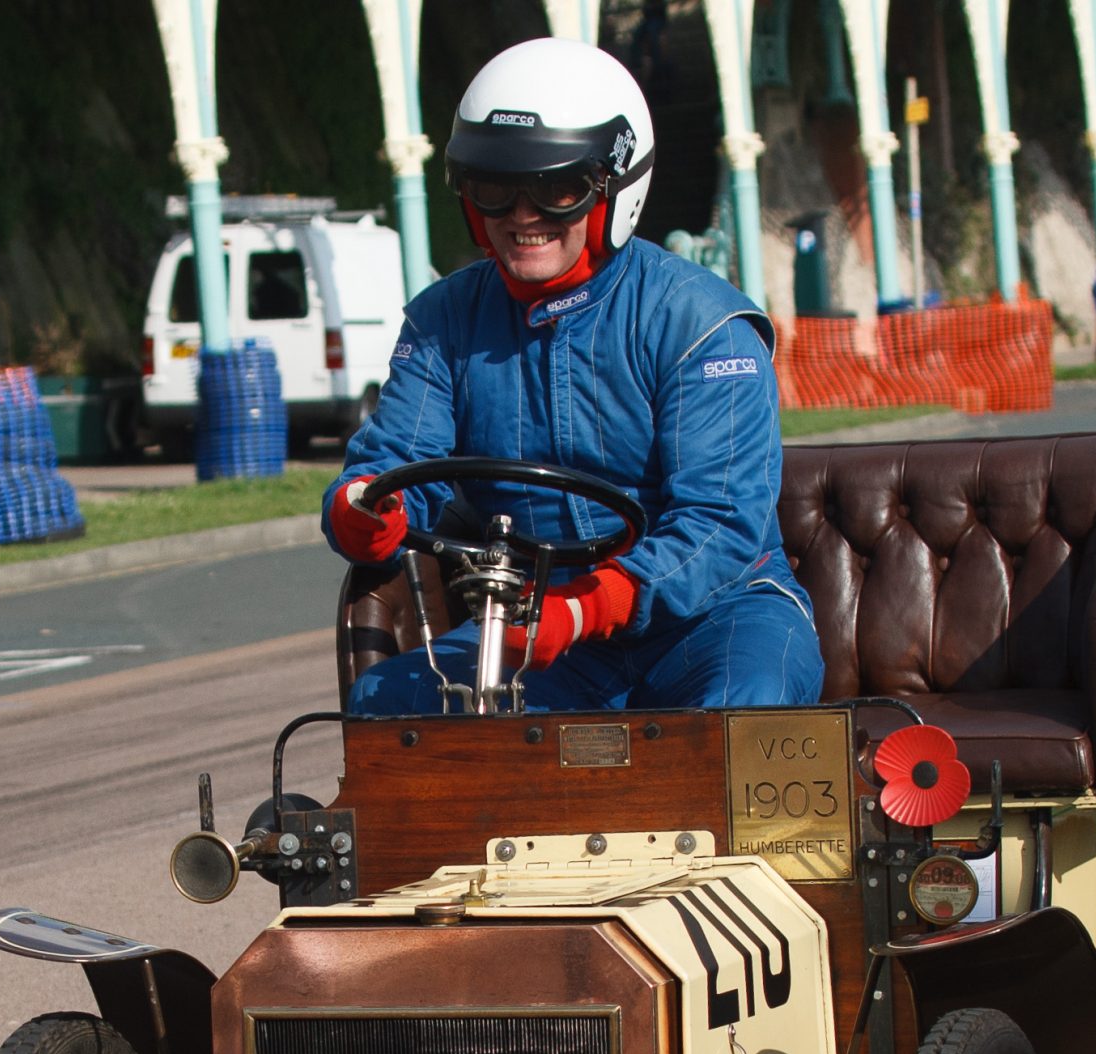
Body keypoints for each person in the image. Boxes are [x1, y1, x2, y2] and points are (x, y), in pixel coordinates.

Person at [325, 36, 822, 717]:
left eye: (555, 190)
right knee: (386, 700)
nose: (522, 218)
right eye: (495, 190)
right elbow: (397, 465)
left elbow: (720, 521)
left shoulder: (703, 323)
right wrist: (363, 511)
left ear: (616, 189)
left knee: (741, 711)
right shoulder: (445, 321)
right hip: (542, 628)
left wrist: (592, 604)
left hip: (715, 619)